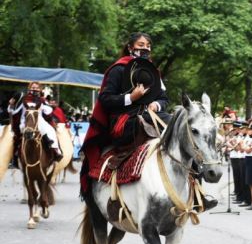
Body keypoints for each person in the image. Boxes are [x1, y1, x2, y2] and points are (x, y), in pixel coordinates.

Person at [80, 33, 170, 194]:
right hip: (125, 122)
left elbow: (164, 98)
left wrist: (156, 105)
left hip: (151, 116)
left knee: (177, 123)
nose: (145, 48)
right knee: (145, 121)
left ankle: (194, 185)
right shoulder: (119, 69)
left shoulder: (153, 71)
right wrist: (131, 98)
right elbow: (105, 99)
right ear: (130, 47)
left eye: (148, 46)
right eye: (141, 45)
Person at [8, 82, 63, 161]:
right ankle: (16, 154)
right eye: (33, 87)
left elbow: (48, 111)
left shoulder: (42, 100)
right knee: (18, 132)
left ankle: (55, 150)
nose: (35, 89)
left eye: (37, 88)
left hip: (39, 120)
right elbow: (16, 111)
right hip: (25, 120)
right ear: (29, 88)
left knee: (50, 130)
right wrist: (11, 105)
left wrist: (47, 108)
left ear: (40, 89)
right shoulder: (24, 99)